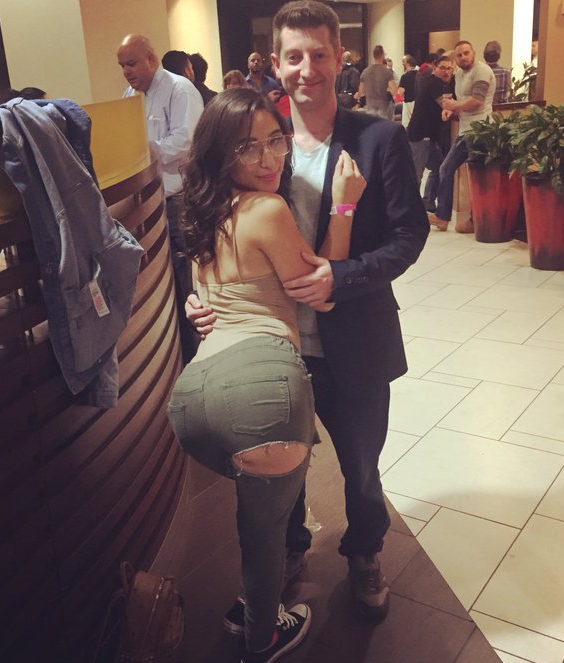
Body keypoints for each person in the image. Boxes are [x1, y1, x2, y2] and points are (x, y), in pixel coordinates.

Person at [187, 0, 428, 623]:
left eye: (319, 54)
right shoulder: (261, 140)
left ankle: (365, 550)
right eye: (294, 56)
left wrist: (341, 277)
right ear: (276, 62)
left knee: (361, 466)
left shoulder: (377, 138)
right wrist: (205, 296)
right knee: (283, 471)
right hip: (277, 351)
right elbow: (220, 225)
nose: (307, 69)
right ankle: (291, 549)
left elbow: (409, 236)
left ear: (340, 57)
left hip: (356, 341)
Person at [169, 86, 365, 663]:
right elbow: (319, 290)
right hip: (261, 387)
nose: (267, 159)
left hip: (193, 397)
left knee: (256, 513)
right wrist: (344, 206)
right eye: (247, 147)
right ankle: (260, 641)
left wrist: (196, 306)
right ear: (220, 154)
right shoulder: (268, 209)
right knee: (263, 528)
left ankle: (246, 606)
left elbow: (209, 299)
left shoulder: (204, 213)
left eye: (274, 141)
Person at [117, 34, 204, 363]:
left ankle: (198, 353)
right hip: (147, 203)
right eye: (122, 65)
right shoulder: (130, 96)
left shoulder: (180, 89)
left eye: (131, 63)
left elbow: (186, 142)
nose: (126, 71)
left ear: (151, 60)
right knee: (160, 281)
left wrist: (145, 151)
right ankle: (176, 353)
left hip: (179, 202)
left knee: (187, 279)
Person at [428, 40, 494, 233]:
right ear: (455, 59)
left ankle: (474, 219)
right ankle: (444, 217)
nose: (463, 57)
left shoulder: (481, 71)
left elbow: (477, 100)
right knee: (448, 169)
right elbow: (459, 101)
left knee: (475, 174)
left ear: (474, 53)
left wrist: (454, 106)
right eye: (459, 55)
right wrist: (450, 110)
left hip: (480, 129)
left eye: (466, 53)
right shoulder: (459, 75)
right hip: (466, 130)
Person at [407, 55, 455, 213]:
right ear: (435, 68)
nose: (446, 72)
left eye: (449, 68)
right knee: (416, 174)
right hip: (419, 137)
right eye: (443, 68)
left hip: (430, 138)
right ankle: (410, 209)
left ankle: (427, 201)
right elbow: (445, 104)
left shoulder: (443, 84)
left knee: (440, 168)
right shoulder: (433, 83)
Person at [356, 45, 398, 119]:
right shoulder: (387, 72)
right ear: (382, 55)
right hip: (383, 107)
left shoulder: (366, 72)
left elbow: (361, 92)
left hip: (370, 106)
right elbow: (394, 91)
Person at [483, 40, 511, 105]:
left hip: (485, 108)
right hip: (502, 109)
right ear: (499, 56)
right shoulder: (505, 72)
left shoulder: (479, 72)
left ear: (484, 56)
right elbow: (507, 91)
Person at [398, 54, 419, 127]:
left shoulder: (405, 76)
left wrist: (398, 99)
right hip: (418, 102)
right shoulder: (419, 74)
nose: (402, 63)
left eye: (403, 61)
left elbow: (401, 92)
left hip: (408, 104)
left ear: (407, 63)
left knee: (406, 125)